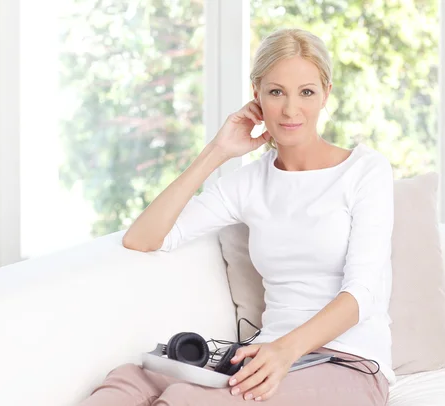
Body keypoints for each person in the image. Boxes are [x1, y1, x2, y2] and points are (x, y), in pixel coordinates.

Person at [79, 27, 394, 406]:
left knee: (184, 400)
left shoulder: (365, 171)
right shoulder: (247, 183)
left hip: (347, 362)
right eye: (276, 92)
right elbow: (143, 239)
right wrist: (216, 151)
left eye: (306, 92)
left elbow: (362, 293)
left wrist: (284, 351)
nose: (291, 109)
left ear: (326, 93)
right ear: (257, 94)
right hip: (264, 355)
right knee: (128, 381)